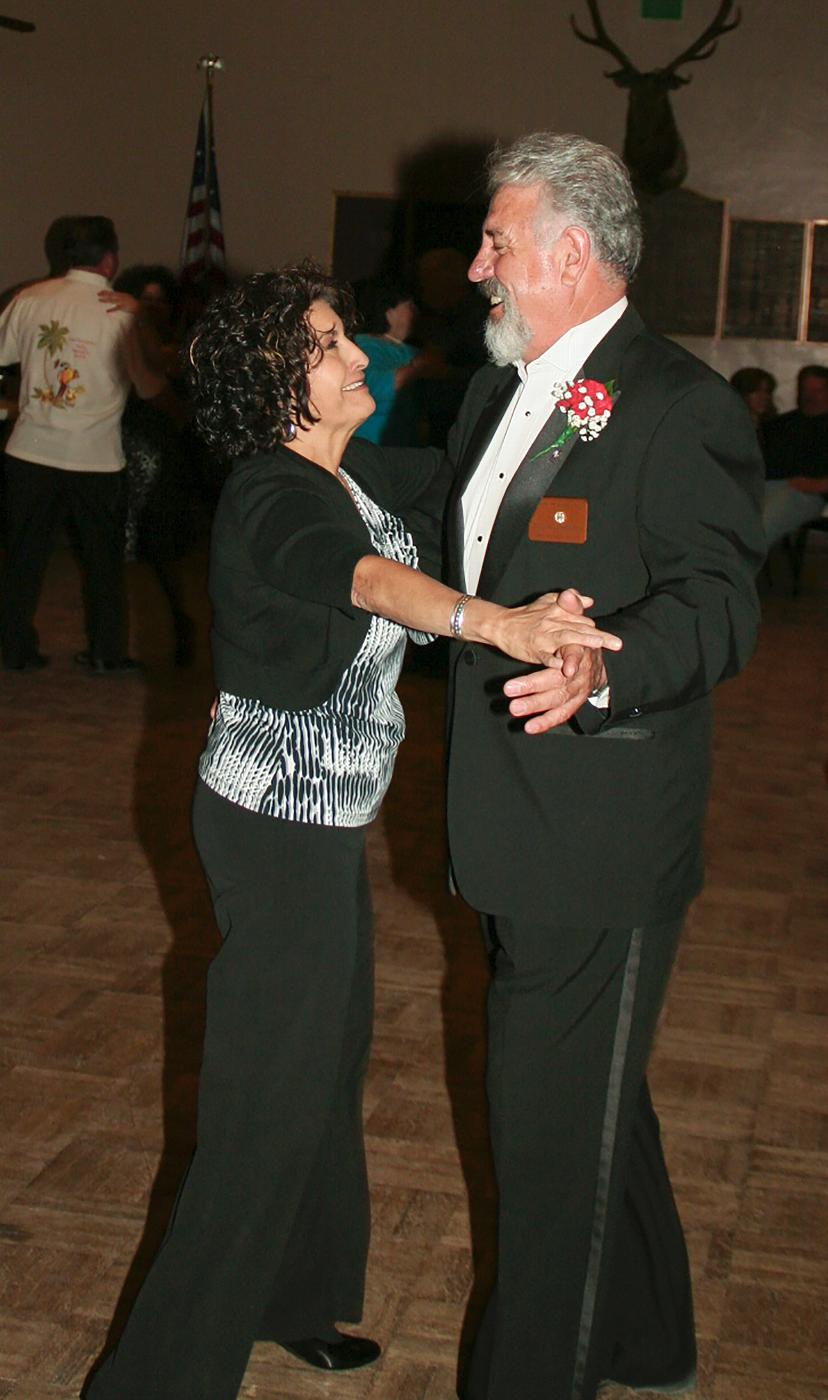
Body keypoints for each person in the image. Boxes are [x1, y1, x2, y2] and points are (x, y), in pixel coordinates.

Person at [83, 261, 621, 1400]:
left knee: (322, 1065)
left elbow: (485, 488)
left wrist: (576, 406)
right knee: (259, 1099)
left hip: (324, 822)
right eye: (329, 344)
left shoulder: (352, 467)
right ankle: (156, 1377)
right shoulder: (273, 494)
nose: (355, 357)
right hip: (270, 828)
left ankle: (292, 1293)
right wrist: (495, 626)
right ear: (282, 379)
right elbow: (371, 583)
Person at [430, 133, 765, 1400]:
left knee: (548, 1142)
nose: (478, 269)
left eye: (498, 244)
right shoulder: (496, 390)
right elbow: (468, 555)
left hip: (599, 834)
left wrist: (604, 666)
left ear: (572, 252)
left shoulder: (678, 401)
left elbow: (718, 601)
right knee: (586, 1095)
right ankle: (653, 1337)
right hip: (505, 818)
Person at [0, 215, 163, 672]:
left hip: (30, 451)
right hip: (95, 457)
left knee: (24, 556)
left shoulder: (29, 299)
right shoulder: (122, 312)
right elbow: (150, 387)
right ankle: (105, 653)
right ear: (110, 259)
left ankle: (13, 649)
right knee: (103, 562)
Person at [352, 276, 430, 445]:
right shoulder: (366, 346)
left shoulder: (408, 350)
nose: (415, 311)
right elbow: (379, 385)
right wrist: (419, 367)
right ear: (389, 312)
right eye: (409, 306)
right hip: (373, 449)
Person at [761, 363, 828, 548]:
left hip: (806, 492)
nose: (810, 396)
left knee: (762, 524)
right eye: (806, 389)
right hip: (766, 484)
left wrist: (815, 485)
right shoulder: (781, 424)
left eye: (818, 390)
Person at [729, 365, 776, 430]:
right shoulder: (728, 427)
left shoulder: (776, 427)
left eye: (767, 391)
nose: (764, 397)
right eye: (756, 391)